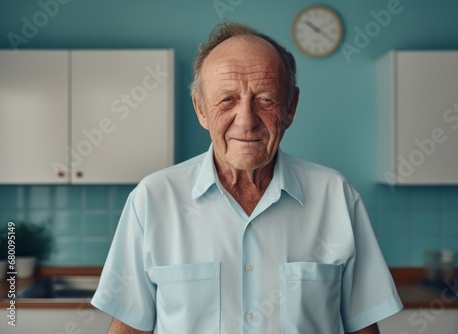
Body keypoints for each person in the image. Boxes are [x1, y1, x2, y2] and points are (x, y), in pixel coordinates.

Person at [91, 22, 403, 334]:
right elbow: (128, 328)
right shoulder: (153, 198)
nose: (246, 120)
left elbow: (363, 327)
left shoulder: (335, 195)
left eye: (265, 99)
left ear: (291, 107)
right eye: (227, 99)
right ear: (200, 108)